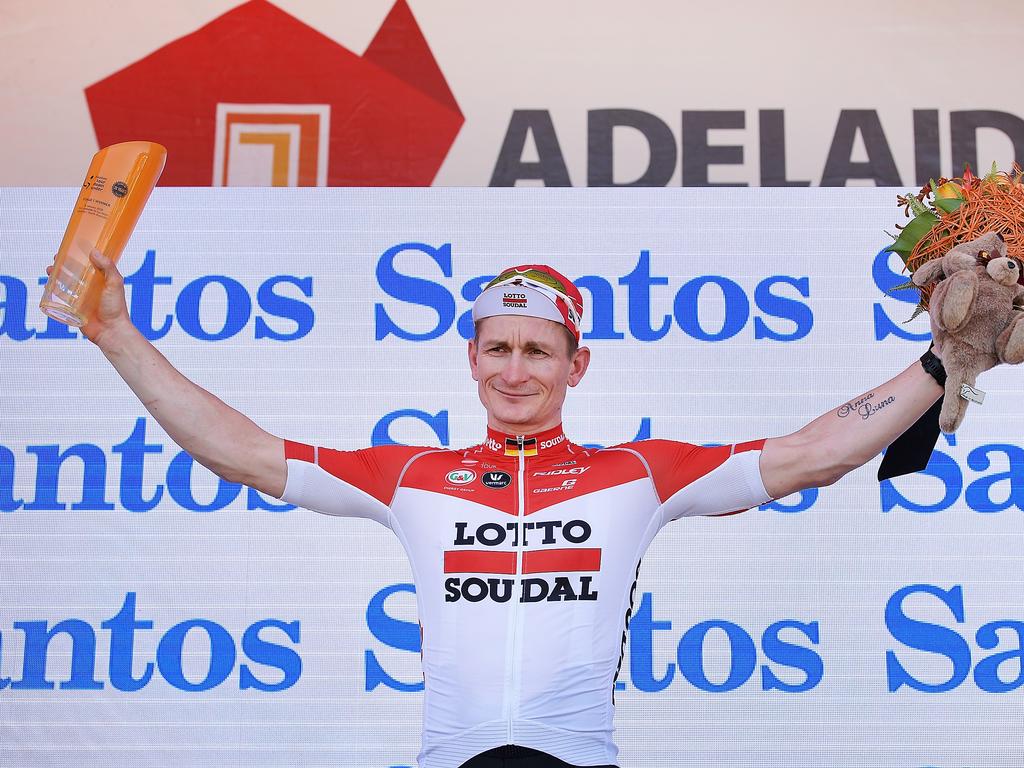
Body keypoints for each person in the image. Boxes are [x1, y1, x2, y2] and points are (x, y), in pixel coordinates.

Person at [58, 252, 947, 768]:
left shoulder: (636, 472)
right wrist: (115, 334)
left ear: (575, 365)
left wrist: (946, 360)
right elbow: (241, 451)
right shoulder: (414, 474)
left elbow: (813, 453)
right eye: (497, 349)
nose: (515, 370)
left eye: (537, 350)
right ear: (472, 359)